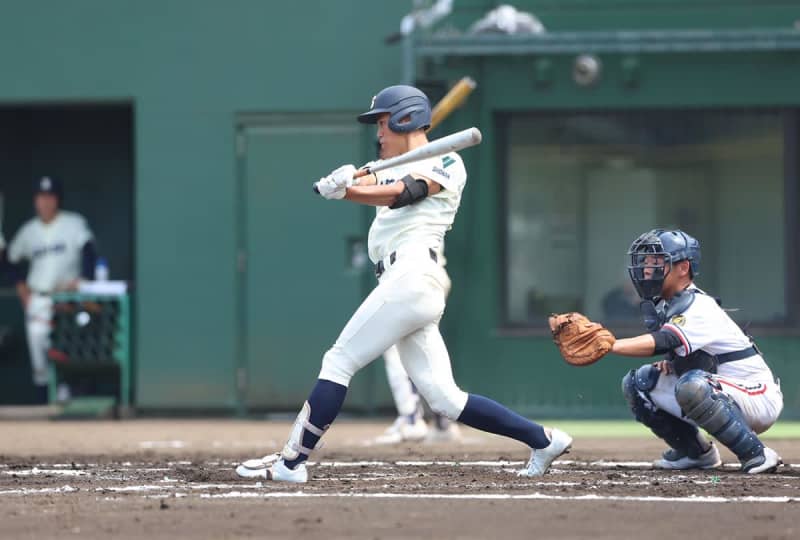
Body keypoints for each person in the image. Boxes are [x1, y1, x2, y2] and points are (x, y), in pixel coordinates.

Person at [236, 84, 571, 483]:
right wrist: (342, 184)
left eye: (382, 122)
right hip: (407, 283)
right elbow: (384, 184)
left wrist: (347, 193)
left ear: (404, 118)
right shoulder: (395, 162)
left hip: (412, 276)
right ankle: (543, 439)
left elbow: (404, 193)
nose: (378, 132)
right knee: (445, 399)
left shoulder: (446, 161)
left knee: (339, 361)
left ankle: (291, 462)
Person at [613, 229, 783, 473]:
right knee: (639, 383)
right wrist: (674, 365)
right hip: (719, 387)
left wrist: (610, 345)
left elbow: (666, 340)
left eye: (657, 261)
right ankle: (694, 453)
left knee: (692, 385)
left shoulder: (699, 305)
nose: (647, 269)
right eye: (646, 262)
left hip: (756, 396)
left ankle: (757, 454)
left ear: (683, 268)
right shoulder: (666, 305)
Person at [6, 176, 97, 403]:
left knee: (72, 343)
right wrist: (20, 287)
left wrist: (83, 280)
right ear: (35, 200)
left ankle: (69, 388)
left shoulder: (73, 223)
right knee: (38, 345)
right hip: (39, 296)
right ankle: (46, 396)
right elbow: (11, 260)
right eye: (41, 197)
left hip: (68, 296)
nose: (45, 202)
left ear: (57, 200)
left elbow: (89, 251)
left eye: (49, 197)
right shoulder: (29, 231)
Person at [374, 243, 461, 445]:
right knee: (423, 345)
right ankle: (442, 421)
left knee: (397, 347)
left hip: (412, 274)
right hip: (427, 272)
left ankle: (411, 420)